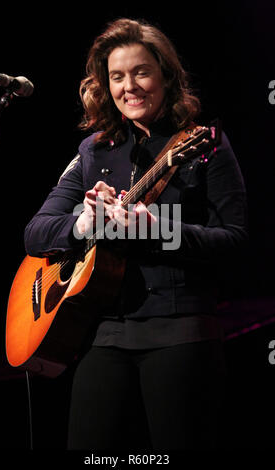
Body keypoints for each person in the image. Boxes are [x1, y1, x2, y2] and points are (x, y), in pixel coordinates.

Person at [24, 18, 248, 450]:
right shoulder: (92, 150)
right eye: (117, 77)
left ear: (166, 74)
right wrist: (83, 224)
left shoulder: (206, 143)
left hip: (181, 334)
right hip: (102, 336)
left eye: (141, 72)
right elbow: (35, 232)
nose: (130, 87)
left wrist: (157, 230)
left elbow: (234, 241)